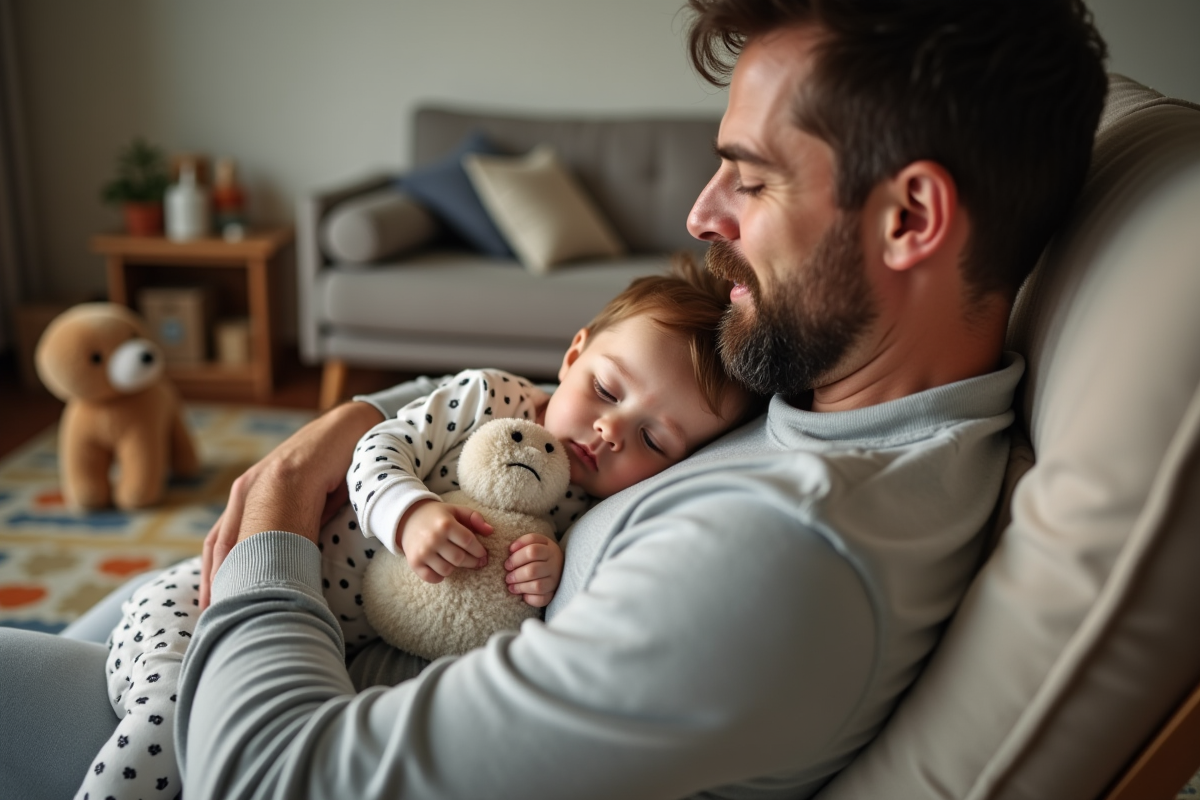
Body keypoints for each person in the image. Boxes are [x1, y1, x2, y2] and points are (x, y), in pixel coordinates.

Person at [0, 2, 1109, 798]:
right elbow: (523, 403)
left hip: (226, 718)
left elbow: (264, 776)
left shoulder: (782, 558)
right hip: (282, 627)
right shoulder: (821, 384)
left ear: (910, 219)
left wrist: (286, 506)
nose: (701, 213)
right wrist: (352, 427)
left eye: (752, 177)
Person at [73, 260, 756, 800]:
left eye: (653, 440)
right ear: (574, 355)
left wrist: (543, 567)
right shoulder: (492, 397)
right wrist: (408, 512)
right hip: (210, 605)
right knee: (165, 728)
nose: (609, 430)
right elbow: (378, 447)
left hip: (315, 654)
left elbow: (529, 587)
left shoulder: (590, 512)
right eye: (606, 390)